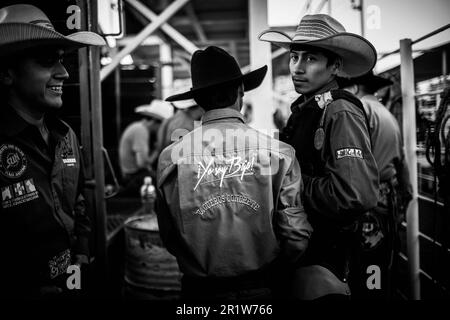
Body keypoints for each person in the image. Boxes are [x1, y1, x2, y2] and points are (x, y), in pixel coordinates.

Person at [157, 46, 312, 300]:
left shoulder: (171, 157)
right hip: (263, 288)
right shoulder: (279, 153)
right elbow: (295, 237)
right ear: (241, 92)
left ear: (198, 100)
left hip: (199, 293)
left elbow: (169, 235)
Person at [259, 14, 379, 300]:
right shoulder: (306, 109)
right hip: (308, 250)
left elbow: (352, 194)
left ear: (335, 66)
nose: (297, 68)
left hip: (329, 258)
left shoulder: (339, 111)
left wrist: (290, 180)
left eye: (310, 59)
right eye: (294, 57)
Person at [0, 4, 105, 298]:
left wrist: (81, 253)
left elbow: (78, 201)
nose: (64, 72)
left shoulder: (66, 137)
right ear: (7, 73)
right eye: (48, 61)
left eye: (62, 60)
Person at [339, 71, 413, 299]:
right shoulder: (386, 114)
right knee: (380, 261)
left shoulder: (359, 111)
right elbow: (402, 160)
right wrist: (405, 193)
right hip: (386, 197)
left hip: (367, 200)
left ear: (354, 88)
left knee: (365, 262)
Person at [118, 99, 173, 196]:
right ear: (156, 122)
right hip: (133, 178)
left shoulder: (138, 127)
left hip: (132, 175)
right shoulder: (140, 131)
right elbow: (142, 163)